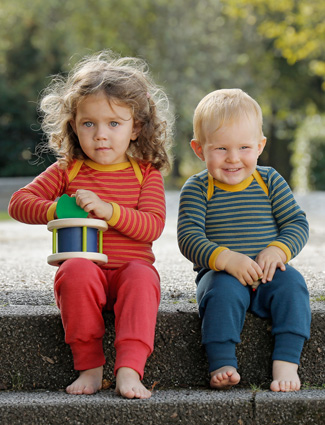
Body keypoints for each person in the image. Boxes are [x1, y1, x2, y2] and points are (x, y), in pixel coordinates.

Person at [8, 50, 173, 399]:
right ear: (74, 125)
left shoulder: (146, 174)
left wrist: (109, 210)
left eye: (114, 123)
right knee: (76, 270)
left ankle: (129, 369)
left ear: (136, 128)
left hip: (131, 271)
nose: (101, 135)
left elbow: (153, 226)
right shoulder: (68, 169)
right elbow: (19, 203)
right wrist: (58, 209)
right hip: (87, 274)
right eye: (89, 124)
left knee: (143, 277)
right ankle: (90, 367)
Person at [177, 88, 311, 392]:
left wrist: (278, 250)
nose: (233, 158)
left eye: (244, 147)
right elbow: (189, 237)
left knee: (294, 286)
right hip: (222, 275)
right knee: (220, 293)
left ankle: (286, 362)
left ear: (260, 145)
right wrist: (227, 259)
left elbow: (296, 222)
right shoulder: (198, 188)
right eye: (221, 149)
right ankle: (222, 362)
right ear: (199, 149)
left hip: (269, 274)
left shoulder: (270, 181)